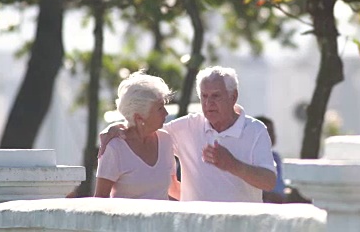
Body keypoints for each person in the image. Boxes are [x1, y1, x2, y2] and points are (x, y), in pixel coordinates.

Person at [99, 66, 276, 202]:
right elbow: (143, 127)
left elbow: (269, 182)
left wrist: (232, 164)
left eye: (216, 96)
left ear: (233, 96)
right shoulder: (186, 127)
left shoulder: (255, 130)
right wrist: (115, 127)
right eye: (204, 97)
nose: (209, 103)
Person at [95, 72, 181, 200]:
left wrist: (203, 205)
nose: (166, 113)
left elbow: (173, 187)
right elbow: (100, 199)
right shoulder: (114, 147)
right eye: (159, 108)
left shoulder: (165, 140)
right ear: (139, 117)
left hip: (162, 220)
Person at [255, 116, 286, 203]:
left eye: (272, 132)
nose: (272, 136)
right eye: (268, 133)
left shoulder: (275, 157)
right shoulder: (249, 158)